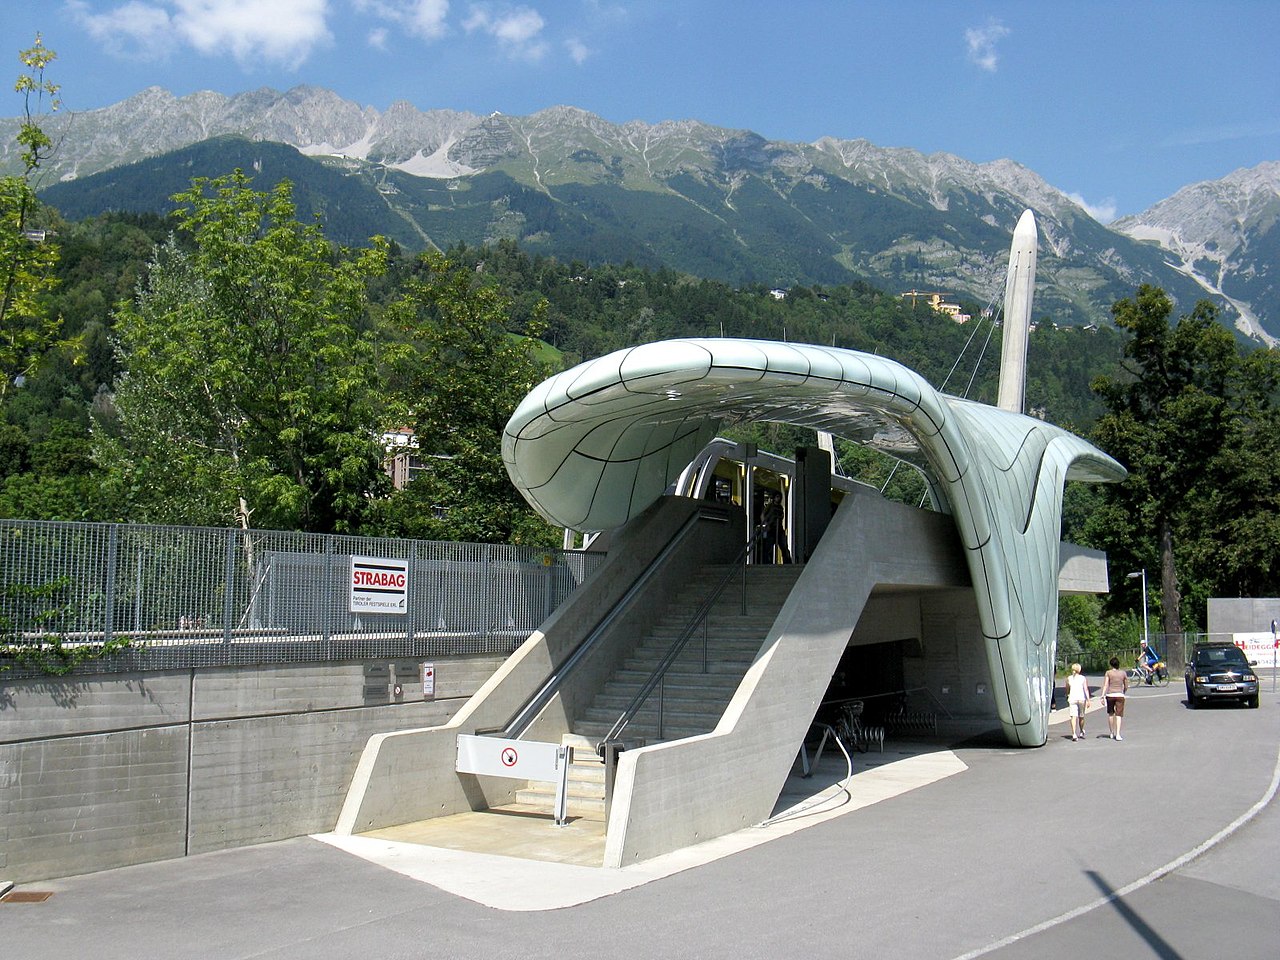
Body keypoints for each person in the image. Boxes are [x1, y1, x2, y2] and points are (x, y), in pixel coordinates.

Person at [1100, 655, 1129, 740]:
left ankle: (1111, 732)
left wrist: (1102, 695)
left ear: (1111, 664)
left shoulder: (1108, 673)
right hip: (1119, 695)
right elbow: (1126, 685)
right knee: (1119, 715)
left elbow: (1105, 685)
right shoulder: (1123, 673)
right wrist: (1124, 691)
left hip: (1110, 695)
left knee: (1111, 714)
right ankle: (1118, 734)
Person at [1065, 663, 1091, 741]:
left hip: (1072, 698)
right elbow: (1085, 689)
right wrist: (1088, 699)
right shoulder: (1083, 678)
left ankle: (1074, 734)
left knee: (1073, 716)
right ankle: (1081, 730)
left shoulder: (1069, 678)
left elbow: (1067, 689)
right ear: (1079, 670)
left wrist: (1067, 694)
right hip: (1081, 698)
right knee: (1081, 716)